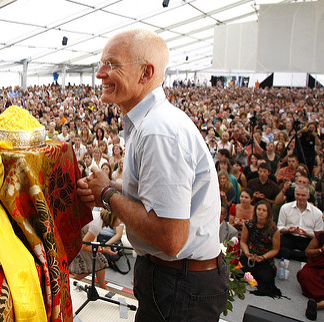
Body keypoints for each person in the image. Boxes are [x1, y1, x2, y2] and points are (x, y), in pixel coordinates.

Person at [77, 29, 228, 321]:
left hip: (178, 286)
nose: (99, 74)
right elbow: (154, 196)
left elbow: (170, 237)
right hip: (173, 278)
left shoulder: (158, 131)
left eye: (112, 65)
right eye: (101, 64)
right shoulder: (150, 123)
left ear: (146, 73)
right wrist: (111, 186)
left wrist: (107, 194)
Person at [240, 200, 282, 298]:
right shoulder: (248, 224)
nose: (261, 212)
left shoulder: (274, 230)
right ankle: (251, 279)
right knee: (238, 272)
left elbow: (275, 250)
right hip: (249, 256)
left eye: (264, 210)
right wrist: (247, 253)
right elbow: (243, 241)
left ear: (268, 213)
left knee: (266, 279)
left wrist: (263, 257)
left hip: (264, 258)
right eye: (259, 209)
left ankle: (252, 280)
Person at [69, 209, 119, 289]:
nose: (121, 221)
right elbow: (84, 246)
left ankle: (102, 286)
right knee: (98, 263)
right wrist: (103, 249)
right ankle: (71, 283)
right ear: (113, 218)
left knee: (99, 261)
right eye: (120, 219)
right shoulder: (97, 225)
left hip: (78, 235)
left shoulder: (98, 217)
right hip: (75, 239)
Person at [276, 185, 324, 261]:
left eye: (303, 195)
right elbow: (280, 226)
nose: (300, 197)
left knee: (312, 253)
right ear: (294, 194)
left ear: (308, 196)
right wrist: (289, 230)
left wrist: (307, 234)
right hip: (289, 236)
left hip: (307, 239)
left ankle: (295, 255)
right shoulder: (285, 207)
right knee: (280, 250)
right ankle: (300, 256)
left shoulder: (317, 213)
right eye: (298, 195)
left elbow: (319, 235)